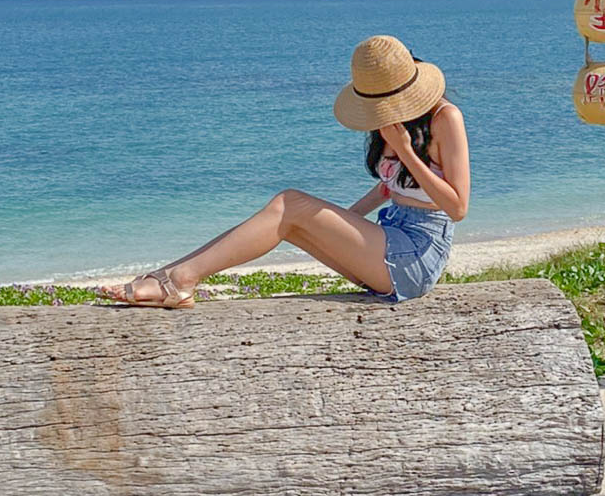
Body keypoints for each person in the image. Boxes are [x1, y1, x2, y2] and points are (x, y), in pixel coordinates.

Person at [99, 35, 470, 308]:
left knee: (289, 203)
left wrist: (406, 150)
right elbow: (389, 187)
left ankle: (179, 281)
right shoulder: (390, 119)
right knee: (286, 219)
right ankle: (172, 274)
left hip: (416, 256)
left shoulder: (445, 117)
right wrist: (346, 221)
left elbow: (457, 208)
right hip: (388, 242)